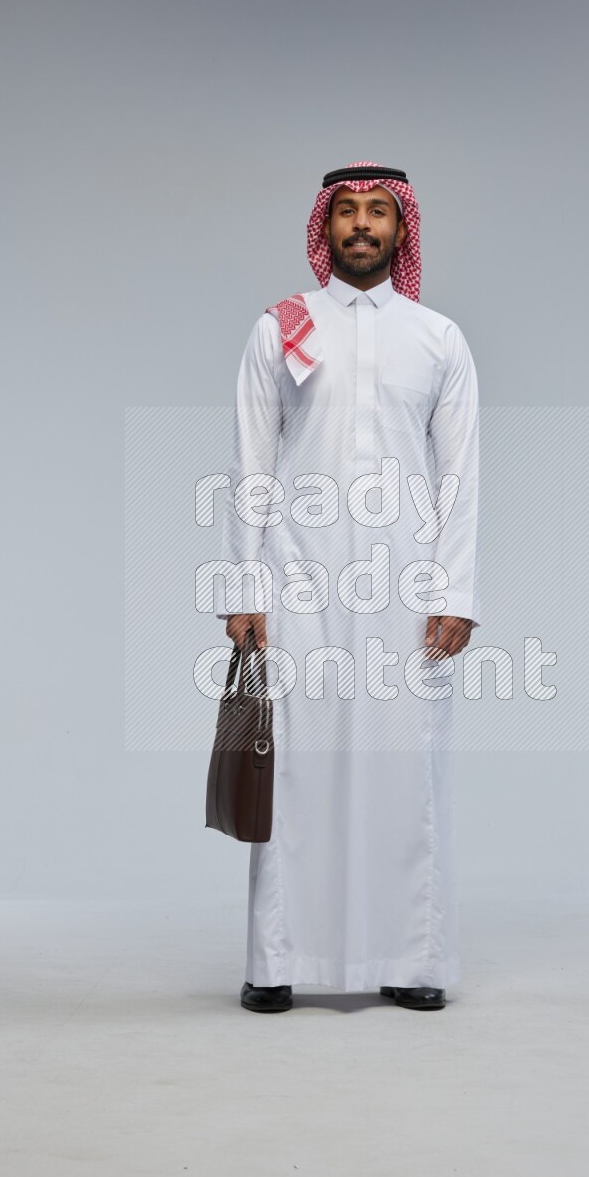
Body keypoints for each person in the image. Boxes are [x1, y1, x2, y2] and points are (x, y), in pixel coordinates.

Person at [216, 161, 481, 1012]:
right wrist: (241, 584)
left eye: (378, 214)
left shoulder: (439, 339)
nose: (362, 226)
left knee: (408, 768)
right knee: (295, 765)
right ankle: (275, 959)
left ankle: (412, 962)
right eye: (347, 214)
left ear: (402, 230)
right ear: (323, 228)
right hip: (298, 579)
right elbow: (249, 464)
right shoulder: (282, 328)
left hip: (408, 585)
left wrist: (456, 590)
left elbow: (461, 478)